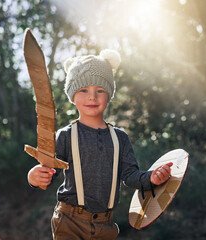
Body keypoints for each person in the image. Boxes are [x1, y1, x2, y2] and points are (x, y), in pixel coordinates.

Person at [27, 49, 173, 240]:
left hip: (106, 225)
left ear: (109, 94)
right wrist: (34, 176)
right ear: (72, 96)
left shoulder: (120, 138)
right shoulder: (65, 135)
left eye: (100, 90)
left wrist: (151, 178)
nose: (92, 97)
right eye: (84, 90)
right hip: (69, 221)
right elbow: (49, 172)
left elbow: (130, 176)